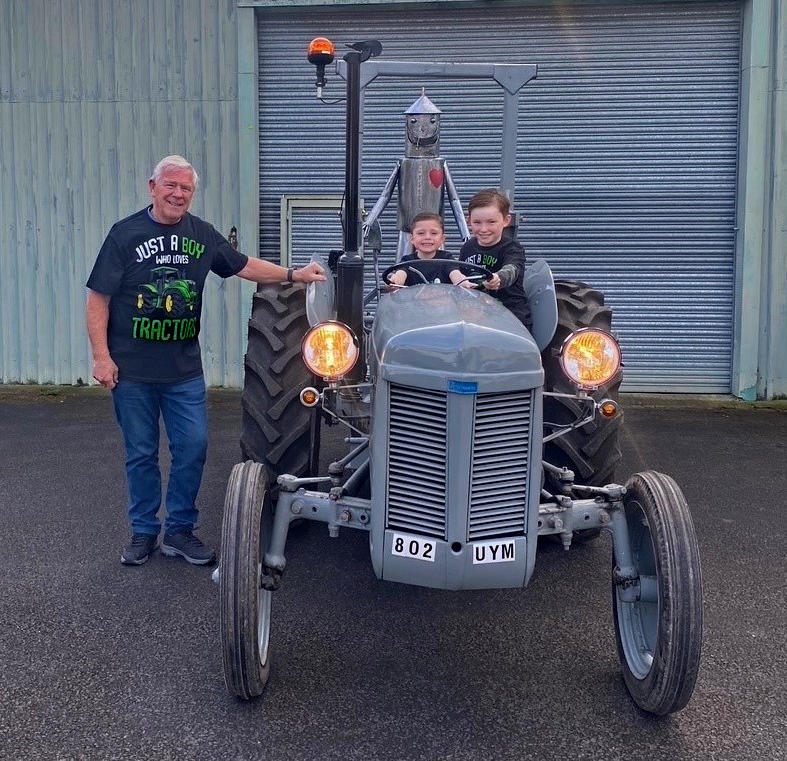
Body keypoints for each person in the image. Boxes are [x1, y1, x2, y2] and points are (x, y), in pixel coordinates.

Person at [85, 155, 325, 567]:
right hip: (132, 372)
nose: (178, 194)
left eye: (186, 189)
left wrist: (292, 275)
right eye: (170, 186)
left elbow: (243, 265)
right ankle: (144, 532)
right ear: (153, 187)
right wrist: (101, 357)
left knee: (192, 449)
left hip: (183, 373)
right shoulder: (125, 234)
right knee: (140, 453)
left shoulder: (201, 234)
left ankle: (179, 530)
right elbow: (98, 298)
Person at [449, 189, 530, 327]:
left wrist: (498, 278)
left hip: (509, 313)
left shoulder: (512, 248)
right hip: (475, 312)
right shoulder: (467, 247)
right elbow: (461, 277)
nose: (484, 229)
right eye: (477, 222)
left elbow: (512, 269)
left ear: (506, 220)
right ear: (469, 221)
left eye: (491, 222)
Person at [386, 212, 455, 287]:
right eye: (421, 233)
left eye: (434, 233)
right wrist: (396, 279)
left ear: (442, 239)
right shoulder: (407, 261)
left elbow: (455, 274)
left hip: (443, 298)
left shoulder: (447, 259)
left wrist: (461, 281)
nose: (427, 237)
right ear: (412, 239)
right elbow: (401, 273)